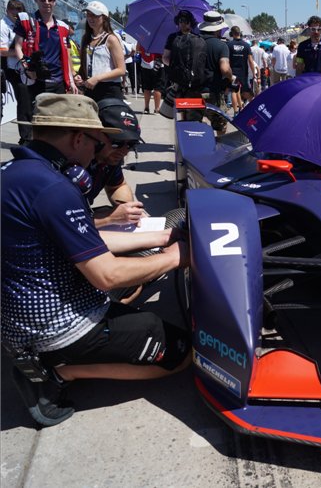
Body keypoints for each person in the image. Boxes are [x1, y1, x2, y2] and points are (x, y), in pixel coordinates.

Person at [2, 93, 190, 427]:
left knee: (138, 273)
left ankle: (50, 357)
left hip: (17, 318)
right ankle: (54, 370)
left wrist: (161, 238)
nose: (96, 151)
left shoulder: (17, 173)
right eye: (96, 142)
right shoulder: (54, 188)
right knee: (182, 351)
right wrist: (174, 257)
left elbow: (84, 241)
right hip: (52, 328)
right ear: (78, 138)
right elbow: (107, 275)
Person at [87, 98, 147, 229]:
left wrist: (128, 210)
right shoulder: (72, 164)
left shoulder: (108, 157)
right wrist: (109, 218)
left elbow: (117, 186)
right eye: (116, 143)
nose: (124, 152)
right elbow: (58, 222)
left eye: (130, 144)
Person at [13, 0, 78, 99]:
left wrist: (71, 81)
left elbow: (66, 56)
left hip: (59, 82)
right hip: (36, 80)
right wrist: (27, 68)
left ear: (54, 2)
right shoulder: (26, 20)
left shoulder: (63, 27)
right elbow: (18, 47)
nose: (46, 2)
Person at [74, 1, 125, 101]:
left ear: (104, 18)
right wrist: (80, 76)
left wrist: (97, 78)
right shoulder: (86, 38)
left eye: (95, 15)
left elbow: (121, 70)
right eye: (88, 15)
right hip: (90, 89)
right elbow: (85, 65)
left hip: (109, 90)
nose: (90, 18)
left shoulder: (111, 39)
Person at [1, 0, 33, 144]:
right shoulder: (2, 26)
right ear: (7, 10)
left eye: (19, 10)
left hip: (27, 67)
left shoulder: (26, 24)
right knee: (24, 100)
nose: (16, 13)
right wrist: (21, 52)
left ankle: (33, 134)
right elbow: (2, 51)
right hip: (13, 69)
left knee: (31, 100)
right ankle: (25, 137)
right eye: (13, 10)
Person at [196, 11, 233, 135]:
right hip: (213, 92)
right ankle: (219, 145)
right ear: (217, 30)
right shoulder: (221, 46)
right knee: (220, 126)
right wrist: (231, 77)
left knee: (193, 126)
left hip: (193, 92)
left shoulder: (193, 41)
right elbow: (225, 69)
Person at [227, 26, 255, 114]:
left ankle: (236, 112)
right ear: (240, 33)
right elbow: (250, 61)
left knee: (234, 91)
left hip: (233, 72)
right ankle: (253, 108)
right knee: (247, 91)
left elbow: (226, 60)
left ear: (232, 34)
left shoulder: (229, 45)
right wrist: (254, 73)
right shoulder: (246, 45)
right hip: (243, 72)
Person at [137, 43, 163, 114]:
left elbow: (137, 49)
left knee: (147, 87)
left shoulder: (144, 39)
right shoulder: (159, 40)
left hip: (145, 64)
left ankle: (146, 107)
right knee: (157, 87)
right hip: (157, 64)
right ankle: (157, 108)